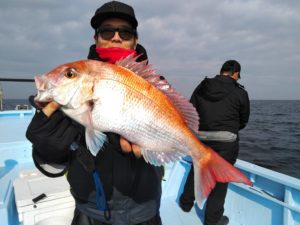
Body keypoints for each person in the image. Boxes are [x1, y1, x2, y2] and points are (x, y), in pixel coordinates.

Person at [26, 1, 163, 225]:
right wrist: (45, 149)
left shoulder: (154, 86)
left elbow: (169, 141)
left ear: (135, 40)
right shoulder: (71, 89)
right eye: (107, 31)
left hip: (145, 209)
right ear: (96, 38)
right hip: (91, 210)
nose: (116, 37)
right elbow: (53, 168)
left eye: (125, 32)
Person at [179, 60, 250, 225]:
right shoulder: (240, 92)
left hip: (201, 138)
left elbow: (191, 109)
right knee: (220, 178)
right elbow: (244, 120)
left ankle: (185, 203)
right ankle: (213, 219)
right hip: (227, 141)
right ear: (236, 74)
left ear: (221, 71)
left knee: (197, 169)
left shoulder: (203, 86)